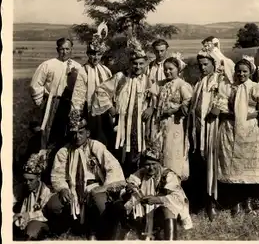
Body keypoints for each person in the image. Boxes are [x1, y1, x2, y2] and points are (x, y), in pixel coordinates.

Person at [44, 112, 126, 239]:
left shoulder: (95, 146)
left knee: (100, 203)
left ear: (87, 133)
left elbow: (112, 166)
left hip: (93, 187)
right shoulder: (64, 151)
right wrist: (62, 188)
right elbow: (57, 174)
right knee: (53, 204)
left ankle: (101, 230)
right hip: (73, 188)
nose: (77, 137)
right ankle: (67, 226)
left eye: (80, 133)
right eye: (74, 133)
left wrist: (106, 186)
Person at [208, 56, 259, 217]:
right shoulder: (228, 87)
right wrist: (217, 110)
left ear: (250, 72)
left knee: (247, 168)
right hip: (230, 129)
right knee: (232, 167)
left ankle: (247, 202)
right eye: (238, 71)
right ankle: (235, 203)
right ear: (234, 72)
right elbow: (221, 104)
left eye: (245, 71)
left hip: (251, 130)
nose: (241, 74)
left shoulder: (256, 87)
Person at [187, 45, 235, 220]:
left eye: (206, 64)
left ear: (214, 64)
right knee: (199, 163)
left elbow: (227, 96)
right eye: (200, 65)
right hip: (198, 128)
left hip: (213, 128)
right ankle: (200, 200)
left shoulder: (220, 80)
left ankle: (212, 202)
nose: (202, 68)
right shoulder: (199, 83)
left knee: (212, 164)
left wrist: (218, 106)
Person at [110, 142, 192, 241]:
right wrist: (129, 188)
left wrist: (157, 199)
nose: (151, 168)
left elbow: (178, 199)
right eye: (147, 165)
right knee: (119, 206)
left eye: (154, 164)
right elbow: (130, 183)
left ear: (160, 163)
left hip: (168, 214)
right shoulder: (141, 173)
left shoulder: (169, 175)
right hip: (147, 213)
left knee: (169, 209)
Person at [91, 42, 151, 176]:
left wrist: (151, 108)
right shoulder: (120, 77)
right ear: (130, 63)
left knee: (138, 154)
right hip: (122, 125)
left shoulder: (147, 80)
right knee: (121, 153)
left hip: (139, 125)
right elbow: (101, 91)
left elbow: (153, 97)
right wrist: (110, 108)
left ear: (145, 64)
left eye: (141, 63)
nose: (138, 67)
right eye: (135, 63)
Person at [30, 37, 82, 150]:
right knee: (48, 130)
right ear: (57, 49)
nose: (65, 52)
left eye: (67, 49)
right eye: (62, 49)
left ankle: (64, 157)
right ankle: (45, 155)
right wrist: (43, 97)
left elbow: (81, 88)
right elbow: (35, 84)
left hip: (70, 104)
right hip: (51, 102)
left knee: (67, 130)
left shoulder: (77, 67)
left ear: (71, 49)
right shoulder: (47, 65)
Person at [147, 53, 192, 180]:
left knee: (172, 150)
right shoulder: (160, 84)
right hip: (160, 123)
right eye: (165, 69)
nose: (167, 72)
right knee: (160, 149)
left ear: (178, 69)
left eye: (171, 69)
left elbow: (188, 102)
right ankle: (158, 179)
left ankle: (173, 180)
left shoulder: (182, 84)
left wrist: (174, 110)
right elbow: (153, 100)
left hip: (175, 124)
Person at [71, 22, 114, 149]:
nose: (95, 57)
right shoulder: (83, 71)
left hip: (105, 112)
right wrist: (76, 116)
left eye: (98, 54)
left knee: (107, 138)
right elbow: (78, 95)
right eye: (92, 54)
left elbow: (111, 91)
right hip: (90, 111)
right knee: (93, 139)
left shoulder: (106, 70)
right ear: (88, 54)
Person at [13, 150, 53, 241]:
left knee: (31, 232)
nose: (27, 183)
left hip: (39, 221)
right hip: (22, 220)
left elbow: (44, 213)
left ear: (38, 178)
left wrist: (28, 215)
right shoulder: (21, 187)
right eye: (25, 180)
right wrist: (12, 215)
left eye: (31, 180)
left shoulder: (46, 191)